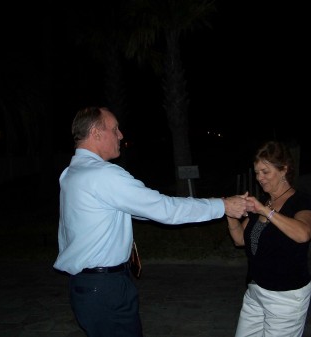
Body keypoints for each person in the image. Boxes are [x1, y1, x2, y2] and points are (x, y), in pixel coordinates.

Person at [53, 106, 253, 337]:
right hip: (105, 288)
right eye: (115, 129)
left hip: (87, 286)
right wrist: (223, 206)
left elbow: (139, 209)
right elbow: (162, 209)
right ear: (97, 133)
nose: (121, 135)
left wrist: (214, 203)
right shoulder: (103, 174)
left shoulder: (71, 173)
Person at [227, 140, 311, 337]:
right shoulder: (265, 202)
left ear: (284, 170)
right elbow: (240, 240)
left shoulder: (300, 201)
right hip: (255, 290)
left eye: (265, 172)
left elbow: (303, 234)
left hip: (285, 295)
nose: (260, 178)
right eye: (257, 172)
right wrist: (231, 215)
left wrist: (265, 211)